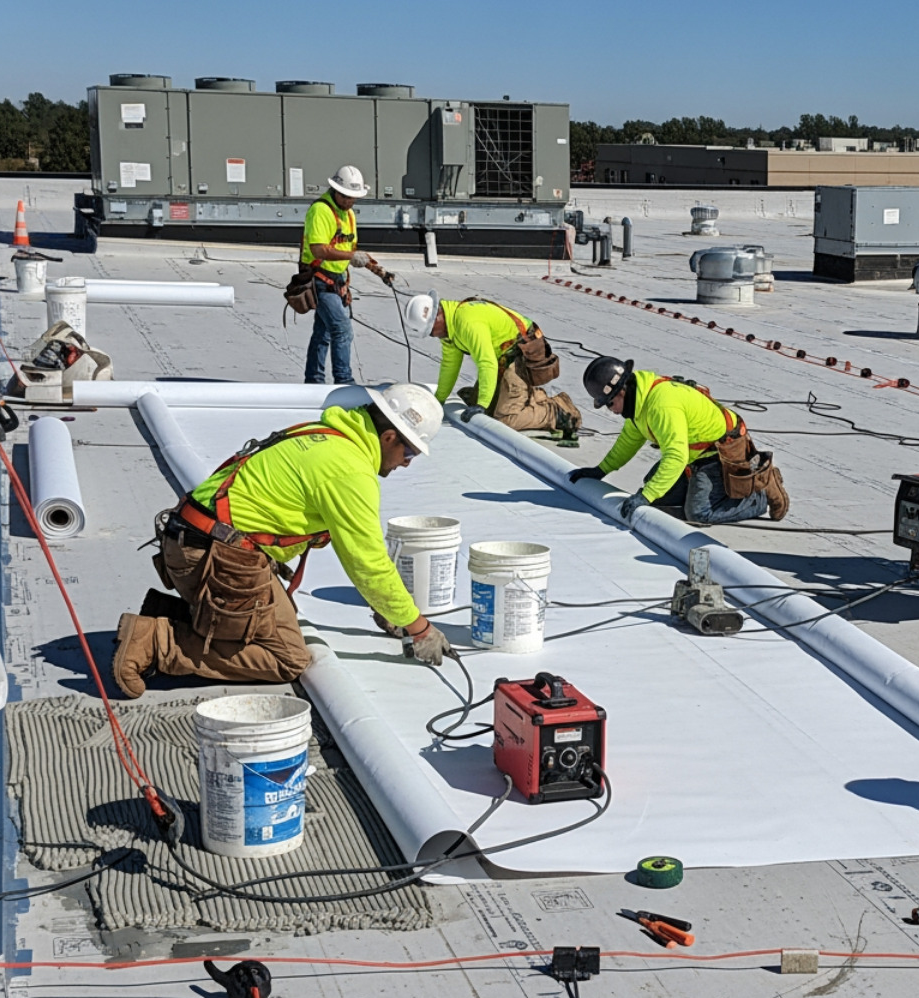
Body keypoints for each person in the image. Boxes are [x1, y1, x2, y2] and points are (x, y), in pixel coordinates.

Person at [113, 384, 453, 697]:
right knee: (286, 656)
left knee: (269, 624)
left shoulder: (321, 434)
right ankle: (155, 642)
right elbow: (368, 563)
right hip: (212, 557)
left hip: (191, 541)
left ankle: (172, 616)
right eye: (409, 454)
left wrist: (387, 606)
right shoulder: (350, 470)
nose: (406, 465)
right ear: (390, 437)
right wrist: (419, 628)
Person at [567, 356, 788, 524]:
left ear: (621, 391)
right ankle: (698, 489)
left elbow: (676, 456)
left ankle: (759, 493)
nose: (610, 410)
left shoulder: (661, 405)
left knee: (698, 513)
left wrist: (647, 495)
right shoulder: (638, 403)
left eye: (609, 403)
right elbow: (629, 441)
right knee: (657, 492)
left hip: (719, 452)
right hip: (695, 455)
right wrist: (601, 470)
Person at [402, 292, 581, 434]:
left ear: (438, 315)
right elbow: (450, 366)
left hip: (522, 352)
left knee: (505, 419)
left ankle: (558, 412)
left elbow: (486, 363)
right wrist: (438, 401)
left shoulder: (467, 322)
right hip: (501, 357)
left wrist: (482, 405)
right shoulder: (449, 330)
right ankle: (525, 396)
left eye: (431, 330)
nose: (433, 335)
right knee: (478, 406)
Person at [301, 165, 392, 385]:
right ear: (336, 191)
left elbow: (349, 250)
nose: (350, 201)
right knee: (342, 330)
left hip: (336, 282)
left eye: (354, 197)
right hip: (318, 280)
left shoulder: (349, 214)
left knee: (323, 334)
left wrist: (375, 269)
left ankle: (313, 381)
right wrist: (351, 256)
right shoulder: (321, 210)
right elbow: (318, 249)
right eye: (347, 197)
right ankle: (344, 382)